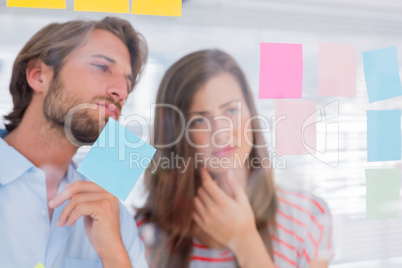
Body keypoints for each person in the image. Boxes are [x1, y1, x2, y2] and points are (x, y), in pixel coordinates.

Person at [135, 49, 333, 268]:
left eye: (231, 110)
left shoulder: (308, 216)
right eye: (200, 120)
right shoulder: (144, 234)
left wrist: (245, 241)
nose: (221, 133)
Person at [0, 17, 149, 268]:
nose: (121, 91)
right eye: (102, 67)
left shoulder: (113, 214)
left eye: (128, 83)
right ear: (39, 76)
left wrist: (113, 254)